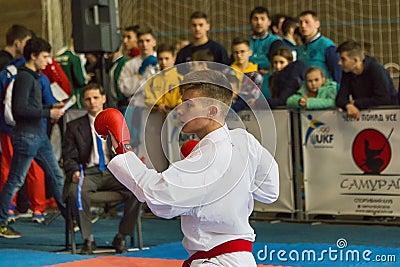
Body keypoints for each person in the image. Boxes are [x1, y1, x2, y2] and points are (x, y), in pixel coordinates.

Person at [96, 69, 279, 266]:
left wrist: (124, 151)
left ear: (212, 111)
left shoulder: (206, 157)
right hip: (243, 260)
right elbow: (270, 191)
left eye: (188, 104)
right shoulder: (245, 140)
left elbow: (160, 198)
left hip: (215, 261)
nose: (179, 110)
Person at [63, 83, 140, 254]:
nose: (92, 102)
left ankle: (122, 236)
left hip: (115, 172)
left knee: (137, 189)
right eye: (88, 99)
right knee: (76, 190)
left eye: (96, 98)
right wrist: (74, 171)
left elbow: (130, 148)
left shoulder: (118, 122)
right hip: (88, 173)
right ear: (83, 102)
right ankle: (88, 239)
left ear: (104, 98)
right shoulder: (73, 126)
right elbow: (68, 156)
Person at [0, 37, 66, 238]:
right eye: (45, 57)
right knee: (16, 180)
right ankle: (1, 221)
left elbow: (28, 107)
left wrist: (48, 108)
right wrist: (48, 113)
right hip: (28, 136)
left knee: (55, 176)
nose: (48, 61)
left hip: (37, 135)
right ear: (33, 56)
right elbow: (19, 109)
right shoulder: (24, 78)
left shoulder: (33, 77)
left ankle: (71, 217)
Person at [118, 27, 157, 157]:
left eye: (148, 40)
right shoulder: (130, 65)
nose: (144, 44)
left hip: (160, 110)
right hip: (138, 110)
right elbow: (124, 89)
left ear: (154, 42)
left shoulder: (163, 59)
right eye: (141, 41)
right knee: (139, 149)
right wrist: (139, 76)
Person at [144, 43, 183, 171]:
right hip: (157, 120)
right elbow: (148, 98)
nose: (163, 62)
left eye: (167, 59)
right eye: (160, 59)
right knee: (159, 151)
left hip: (176, 119)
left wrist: (175, 107)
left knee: (175, 149)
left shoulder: (180, 79)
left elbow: (182, 97)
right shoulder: (153, 80)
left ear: (174, 58)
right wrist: (158, 104)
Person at [335, 40, 394, 119]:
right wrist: (348, 105)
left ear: (356, 60)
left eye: (343, 59)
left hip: (389, 116)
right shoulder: (347, 72)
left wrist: (356, 103)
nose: (339, 63)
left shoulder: (376, 69)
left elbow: (383, 99)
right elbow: (340, 99)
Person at [248, 6, 286, 99]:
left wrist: (251, 65)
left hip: (270, 91)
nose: (259, 22)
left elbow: (273, 64)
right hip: (248, 91)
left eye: (262, 19)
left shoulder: (276, 42)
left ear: (269, 22)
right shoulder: (245, 43)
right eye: (255, 19)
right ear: (251, 22)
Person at [297, 10, 342, 84]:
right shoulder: (300, 48)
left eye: (307, 22)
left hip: (324, 92)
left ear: (317, 24)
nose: (303, 25)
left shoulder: (327, 46)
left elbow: (337, 73)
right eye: (300, 22)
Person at [230, 37, 263, 111]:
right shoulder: (226, 72)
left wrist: (236, 95)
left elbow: (252, 96)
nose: (239, 55)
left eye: (242, 51)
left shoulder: (256, 75)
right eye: (236, 52)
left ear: (250, 52)